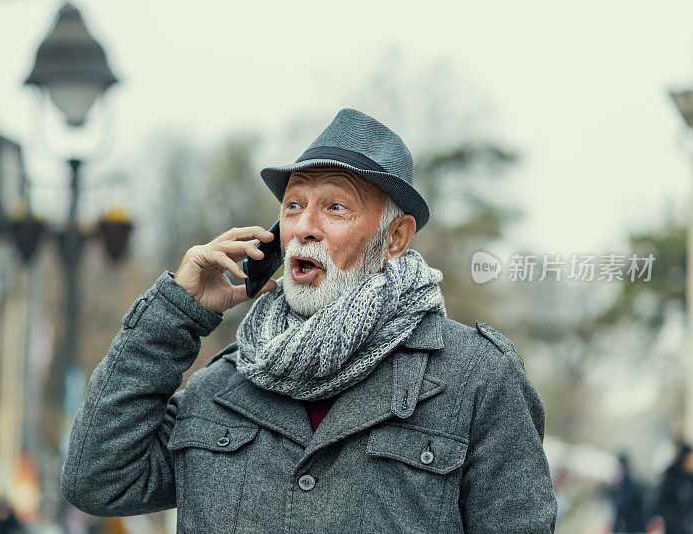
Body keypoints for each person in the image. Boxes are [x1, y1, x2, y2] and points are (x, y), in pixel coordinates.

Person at [60, 108, 558, 532]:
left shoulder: (474, 379)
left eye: (335, 207)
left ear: (396, 237)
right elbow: (98, 478)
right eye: (293, 206)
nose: (304, 228)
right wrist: (175, 313)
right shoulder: (222, 388)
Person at [654, 443, 693, 534]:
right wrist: (674, 519)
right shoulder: (672, 477)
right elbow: (662, 503)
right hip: (674, 528)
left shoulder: (690, 479)